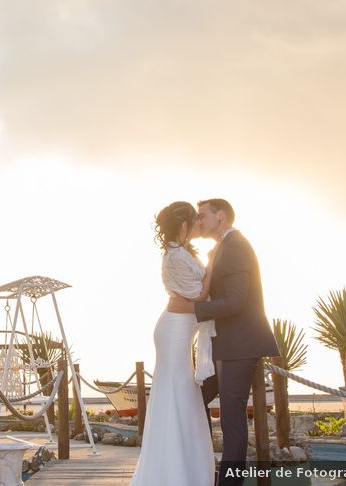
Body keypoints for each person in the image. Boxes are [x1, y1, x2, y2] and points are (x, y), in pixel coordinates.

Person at [167, 198, 279, 486]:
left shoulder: (237, 247)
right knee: (193, 399)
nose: (198, 221)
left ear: (221, 217)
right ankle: (202, 467)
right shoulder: (221, 249)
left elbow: (237, 301)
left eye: (203, 216)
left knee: (232, 419)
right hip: (222, 344)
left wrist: (193, 309)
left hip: (239, 345)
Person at [129, 201, 215, 485]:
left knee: (181, 393)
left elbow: (194, 298)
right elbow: (200, 295)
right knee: (177, 393)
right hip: (175, 330)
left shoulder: (178, 253)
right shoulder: (176, 256)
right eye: (194, 219)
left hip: (179, 327)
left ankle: (184, 468)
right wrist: (213, 264)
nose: (198, 225)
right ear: (183, 225)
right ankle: (174, 471)